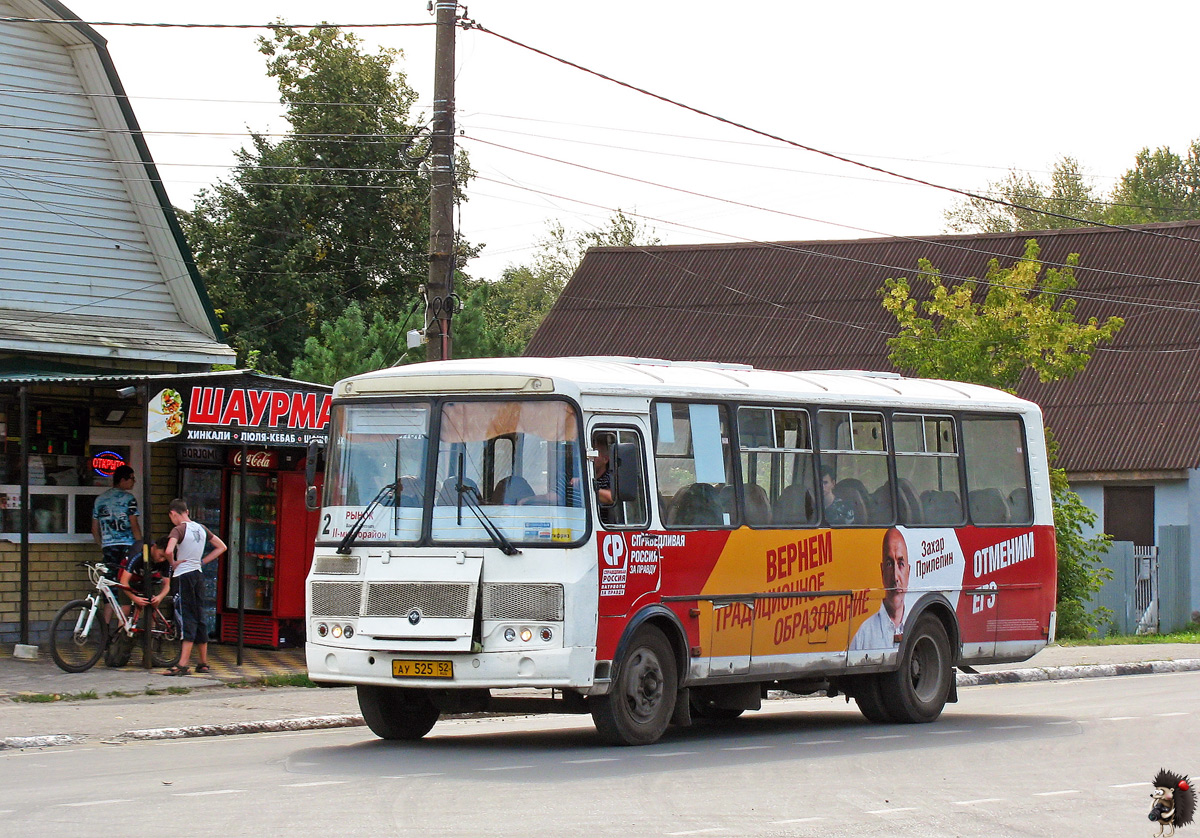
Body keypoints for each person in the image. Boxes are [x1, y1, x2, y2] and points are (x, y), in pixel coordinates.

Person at [164, 498, 226, 676]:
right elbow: (221, 547)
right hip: (198, 575)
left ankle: (182, 664)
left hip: (183, 576)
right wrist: (202, 561)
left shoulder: (178, 529)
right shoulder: (201, 528)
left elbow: (168, 550)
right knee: (199, 616)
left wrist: (173, 562)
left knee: (186, 617)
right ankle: (203, 662)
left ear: (173, 514)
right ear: (187, 512)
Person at [850, 526, 911, 651]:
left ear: (908, 571)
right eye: (889, 564)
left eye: (901, 564)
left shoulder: (916, 625)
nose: (895, 577)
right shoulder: (863, 635)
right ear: (882, 572)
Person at [91, 465, 142, 580]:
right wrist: (140, 544)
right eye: (132, 478)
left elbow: (94, 529)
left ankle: (110, 598)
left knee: (110, 578)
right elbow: (134, 525)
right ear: (123, 480)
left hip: (108, 544)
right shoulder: (129, 498)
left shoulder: (100, 500)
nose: (134, 482)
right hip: (128, 544)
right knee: (131, 577)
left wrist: (103, 544)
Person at [117, 536, 172, 614]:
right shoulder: (138, 553)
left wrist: (159, 597)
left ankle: (152, 626)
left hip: (150, 575)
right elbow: (124, 581)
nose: (162, 560)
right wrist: (134, 598)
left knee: (152, 606)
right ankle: (123, 626)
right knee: (126, 607)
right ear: (154, 547)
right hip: (132, 574)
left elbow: (167, 585)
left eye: (165, 558)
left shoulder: (165, 561)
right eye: (161, 556)